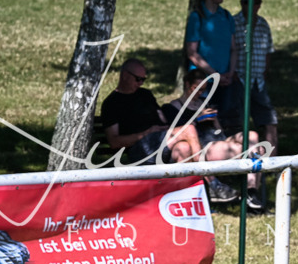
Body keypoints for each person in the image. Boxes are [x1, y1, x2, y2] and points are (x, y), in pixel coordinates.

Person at [100, 59, 238, 202]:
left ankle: (189, 200)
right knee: (189, 129)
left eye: (143, 79)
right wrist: (145, 134)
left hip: (160, 140)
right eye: (138, 79)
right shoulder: (112, 103)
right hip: (141, 148)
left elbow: (162, 119)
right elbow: (114, 142)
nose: (140, 83)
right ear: (124, 75)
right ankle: (213, 183)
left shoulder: (145, 94)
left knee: (183, 148)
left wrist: (167, 127)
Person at [162, 69, 266, 212]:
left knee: (252, 136)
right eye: (196, 89)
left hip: (217, 138)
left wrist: (214, 120)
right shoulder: (173, 107)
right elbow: (179, 131)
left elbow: (218, 131)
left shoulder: (205, 102)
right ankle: (250, 196)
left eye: (203, 90)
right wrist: (197, 118)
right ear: (187, 84)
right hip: (200, 145)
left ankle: (251, 191)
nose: (199, 93)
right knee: (251, 151)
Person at [184, 0, 237, 124]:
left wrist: (230, 73)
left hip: (225, 80)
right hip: (203, 80)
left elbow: (234, 49)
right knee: (203, 119)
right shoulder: (197, 17)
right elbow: (192, 52)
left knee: (224, 119)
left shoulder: (226, 16)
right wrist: (214, 74)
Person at [232, 0, 278, 154]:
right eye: (247, 3)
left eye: (256, 3)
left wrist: (266, 71)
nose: (252, 7)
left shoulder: (263, 24)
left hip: (258, 82)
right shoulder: (233, 22)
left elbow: (268, 50)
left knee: (270, 121)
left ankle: (272, 163)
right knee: (240, 122)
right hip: (239, 79)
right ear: (241, 4)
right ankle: (243, 160)